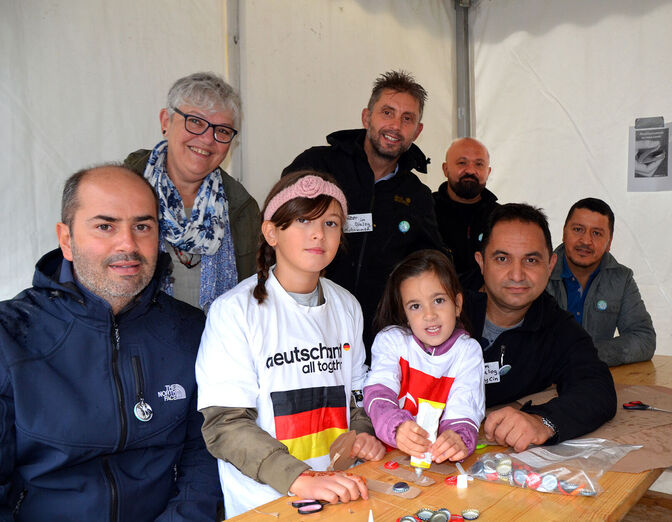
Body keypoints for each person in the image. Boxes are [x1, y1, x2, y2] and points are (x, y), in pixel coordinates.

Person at [0, 165, 221, 521]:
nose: (128, 245)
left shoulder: (191, 328)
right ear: (66, 239)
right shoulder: (10, 334)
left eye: (142, 227)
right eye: (105, 226)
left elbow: (205, 450)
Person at [195, 171, 385, 518]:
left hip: (344, 492)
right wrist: (298, 478)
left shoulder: (347, 305)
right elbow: (225, 424)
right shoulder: (233, 311)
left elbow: (358, 398)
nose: (318, 233)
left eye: (330, 223)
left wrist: (361, 434)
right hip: (267, 504)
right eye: (303, 220)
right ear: (271, 233)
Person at [282, 70, 445, 362]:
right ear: (366, 117)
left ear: (417, 131)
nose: (395, 125)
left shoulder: (418, 195)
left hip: (378, 343)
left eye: (407, 118)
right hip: (302, 330)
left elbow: (429, 266)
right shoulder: (317, 165)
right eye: (387, 112)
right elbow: (279, 232)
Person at [465, 203, 616, 450]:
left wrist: (542, 421)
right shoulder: (443, 309)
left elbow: (597, 389)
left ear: (550, 265)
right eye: (502, 259)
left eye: (531, 260)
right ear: (481, 263)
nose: (517, 275)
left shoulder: (557, 328)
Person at [124, 72, 261, 312]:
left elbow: (251, 293)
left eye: (222, 130)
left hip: (217, 336)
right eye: (195, 122)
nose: (207, 139)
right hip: (137, 335)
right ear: (165, 122)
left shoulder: (242, 208)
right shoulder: (121, 192)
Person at [364, 249, 485, 464]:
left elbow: (465, 406)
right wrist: (397, 426)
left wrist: (457, 438)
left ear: (457, 304)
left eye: (438, 300)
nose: (429, 315)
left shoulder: (468, 352)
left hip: (438, 464)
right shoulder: (391, 341)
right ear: (405, 314)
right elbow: (378, 393)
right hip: (385, 460)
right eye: (415, 306)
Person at [546, 198, 655, 366]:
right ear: (564, 233)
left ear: (609, 242)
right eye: (578, 229)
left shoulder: (621, 279)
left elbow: (644, 339)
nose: (585, 241)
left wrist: (588, 353)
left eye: (596, 233)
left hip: (595, 376)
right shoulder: (539, 272)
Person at [433, 137, 499, 281]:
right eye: (462, 163)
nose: (470, 170)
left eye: (479, 164)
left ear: (488, 172)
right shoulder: (426, 210)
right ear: (445, 169)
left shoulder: (501, 217)